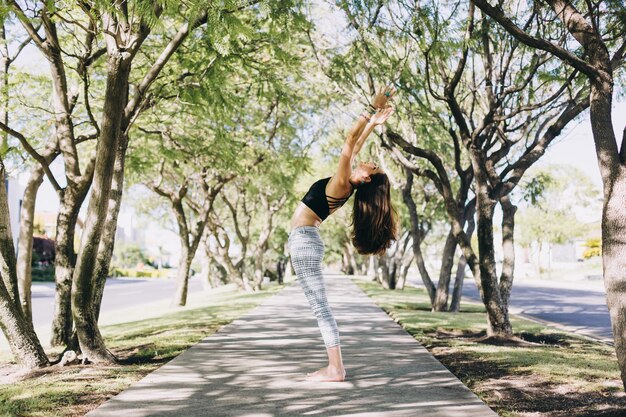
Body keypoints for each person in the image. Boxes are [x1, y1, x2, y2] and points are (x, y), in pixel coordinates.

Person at [288, 85, 398, 382]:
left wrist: (369, 107)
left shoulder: (342, 184)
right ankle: (334, 366)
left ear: (365, 178)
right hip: (306, 241)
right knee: (318, 304)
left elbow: (350, 140)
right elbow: (357, 144)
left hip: (304, 241)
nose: (368, 161)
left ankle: (335, 368)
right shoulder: (348, 182)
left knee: (319, 305)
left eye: (371, 167)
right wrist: (374, 122)